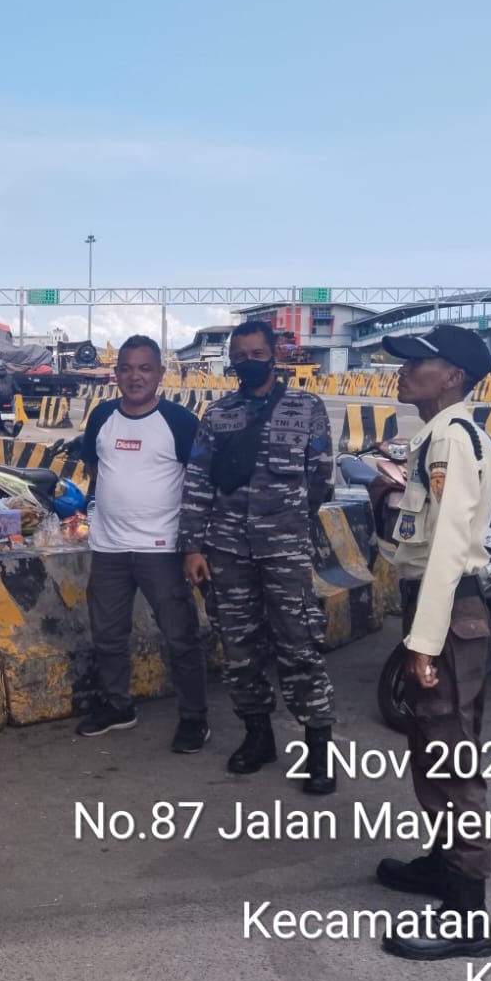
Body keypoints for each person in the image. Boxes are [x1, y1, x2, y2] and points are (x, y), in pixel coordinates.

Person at [373, 325, 491, 961]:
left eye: (418, 363)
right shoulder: (436, 436)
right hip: (437, 607)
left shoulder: (451, 438)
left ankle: (469, 919)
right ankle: (442, 865)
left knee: (452, 764)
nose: (403, 372)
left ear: (452, 377)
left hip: (446, 612)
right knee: (431, 749)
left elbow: (449, 548)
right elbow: (417, 536)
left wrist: (424, 643)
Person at [178, 321, 338, 793]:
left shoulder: (307, 407)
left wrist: (289, 522)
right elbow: (198, 481)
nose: (249, 362)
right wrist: (192, 546)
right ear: (231, 361)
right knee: (239, 648)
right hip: (227, 551)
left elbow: (319, 476)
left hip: (284, 550)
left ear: (274, 356)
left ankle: (318, 749)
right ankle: (258, 736)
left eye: (257, 353)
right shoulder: (218, 415)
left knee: (299, 645)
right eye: (240, 356)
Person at [72, 336, 208, 751]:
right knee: (108, 636)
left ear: (160, 374)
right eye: (127, 368)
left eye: (145, 368)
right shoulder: (101, 417)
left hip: (161, 550)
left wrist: (193, 546)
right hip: (109, 548)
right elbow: (94, 468)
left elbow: (199, 486)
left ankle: (194, 718)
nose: (135, 377)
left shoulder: (180, 422)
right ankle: (118, 707)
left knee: (181, 637)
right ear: (116, 374)